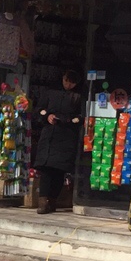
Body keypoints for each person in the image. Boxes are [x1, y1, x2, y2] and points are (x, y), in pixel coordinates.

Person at [34, 69, 83, 214]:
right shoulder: (51, 91)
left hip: (66, 136)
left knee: (59, 171)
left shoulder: (78, 96)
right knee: (46, 170)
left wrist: (70, 120)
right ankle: (43, 201)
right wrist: (47, 116)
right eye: (66, 81)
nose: (68, 85)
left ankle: (53, 200)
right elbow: (39, 109)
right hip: (49, 134)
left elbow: (81, 117)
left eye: (72, 83)